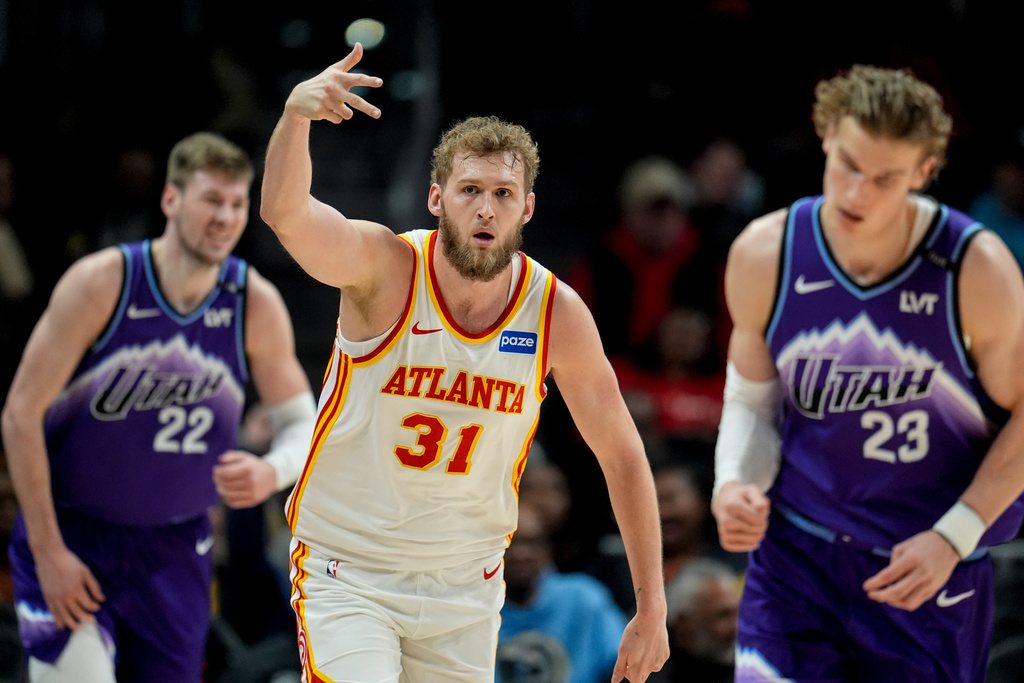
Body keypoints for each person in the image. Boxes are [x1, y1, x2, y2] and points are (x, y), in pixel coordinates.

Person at [259, 43, 669, 683]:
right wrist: (294, 118)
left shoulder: (556, 312)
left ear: (527, 208)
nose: (486, 207)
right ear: (435, 199)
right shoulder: (384, 268)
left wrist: (652, 606)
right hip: (351, 568)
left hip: (466, 583)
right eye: (470, 189)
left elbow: (622, 456)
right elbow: (286, 215)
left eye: (504, 193)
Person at [712, 63, 1024, 682]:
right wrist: (733, 481)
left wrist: (955, 536)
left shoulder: (976, 270)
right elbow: (751, 399)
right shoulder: (764, 253)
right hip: (797, 553)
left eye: (885, 179)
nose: (858, 192)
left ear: (923, 175)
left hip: (923, 564)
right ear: (826, 136)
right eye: (849, 165)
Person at [1, 132, 317, 683]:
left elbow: (301, 422)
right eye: (211, 201)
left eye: (238, 204)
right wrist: (48, 551)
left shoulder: (254, 303)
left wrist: (272, 470)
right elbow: (19, 414)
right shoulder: (103, 283)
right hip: (73, 533)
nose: (225, 217)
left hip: (176, 548)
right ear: (171, 200)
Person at [497, 500, 627, 683]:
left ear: (548, 548)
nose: (520, 554)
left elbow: (625, 662)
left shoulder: (584, 597)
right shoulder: (474, 606)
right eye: (509, 543)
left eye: (532, 543)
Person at [650, 557, 740, 683]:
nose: (737, 627)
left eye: (739, 614)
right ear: (684, 623)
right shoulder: (641, 675)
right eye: (723, 615)